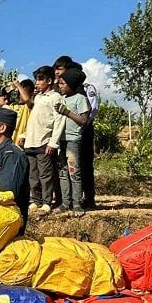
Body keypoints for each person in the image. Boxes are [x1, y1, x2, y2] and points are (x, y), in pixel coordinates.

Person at [23, 66, 64, 215]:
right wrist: (24, 136)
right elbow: (34, 120)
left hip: (44, 142)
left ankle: (47, 202)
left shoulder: (55, 97)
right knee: (33, 175)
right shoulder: (38, 97)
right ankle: (36, 200)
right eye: (36, 79)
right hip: (31, 142)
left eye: (40, 79)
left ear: (49, 81)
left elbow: (59, 121)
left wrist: (53, 142)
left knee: (45, 175)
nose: (37, 83)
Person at [56, 68, 92, 215]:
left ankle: (77, 203)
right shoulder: (61, 98)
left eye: (63, 83)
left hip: (72, 139)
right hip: (60, 140)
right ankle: (66, 202)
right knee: (63, 172)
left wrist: (67, 112)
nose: (60, 86)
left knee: (73, 171)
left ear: (71, 84)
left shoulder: (80, 99)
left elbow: (83, 120)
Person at [80, 77, 99, 209]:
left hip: (85, 130)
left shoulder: (87, 88)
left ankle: (89, 198)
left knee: (86, 165)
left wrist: (83, 124)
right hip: (70, 133)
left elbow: (93, 109)